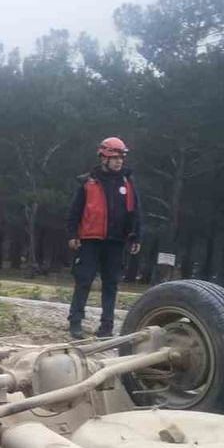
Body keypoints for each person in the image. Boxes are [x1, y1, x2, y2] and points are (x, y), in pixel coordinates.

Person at [65, 137, 143, 339]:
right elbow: (75, 211)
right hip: (90, 240)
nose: (119, 162)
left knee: (111, 284)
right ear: (104, 158)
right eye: (115, 158)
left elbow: (135, 212)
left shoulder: (128, 183)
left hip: (116, 241)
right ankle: (75, 322)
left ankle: (106, 327)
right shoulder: (87, 182)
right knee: (84, 280)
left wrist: (136, 238)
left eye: (121, 158)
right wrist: (72, 234)